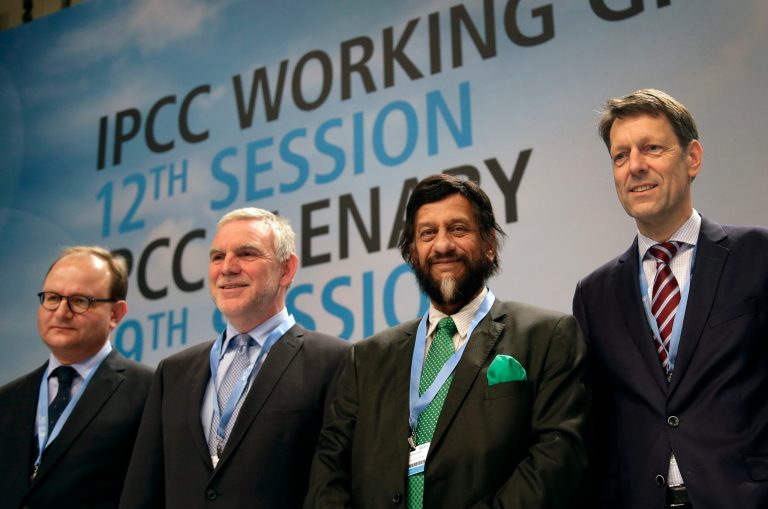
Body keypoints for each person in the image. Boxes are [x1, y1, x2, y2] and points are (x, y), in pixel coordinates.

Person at [306, 173, 588, 508]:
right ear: (412, 252)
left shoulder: (547, 336)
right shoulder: (365, 358)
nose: (442, 246)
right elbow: (328, 474)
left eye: (458, 229)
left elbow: (555, 460)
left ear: (488, 244)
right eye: (428, 234)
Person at [573, 88, 768, 508]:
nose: (635, 167)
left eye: (651, 149)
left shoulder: (758, 255)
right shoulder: (594, 295)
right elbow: (597, 429)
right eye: (620, 156)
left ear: (692, 157)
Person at [119, 207, 349, 509]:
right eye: (217, 256)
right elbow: (142, 494)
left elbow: (337, 487)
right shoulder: (172, 373)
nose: (227, 267)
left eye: (247, 254)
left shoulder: (336, 362)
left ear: (286, 269)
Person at [0, 246, 153, 509]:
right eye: (52, 298)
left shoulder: (149, 391)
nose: (61, 311)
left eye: (80, 301)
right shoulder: (7, 400)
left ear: (115, 314)